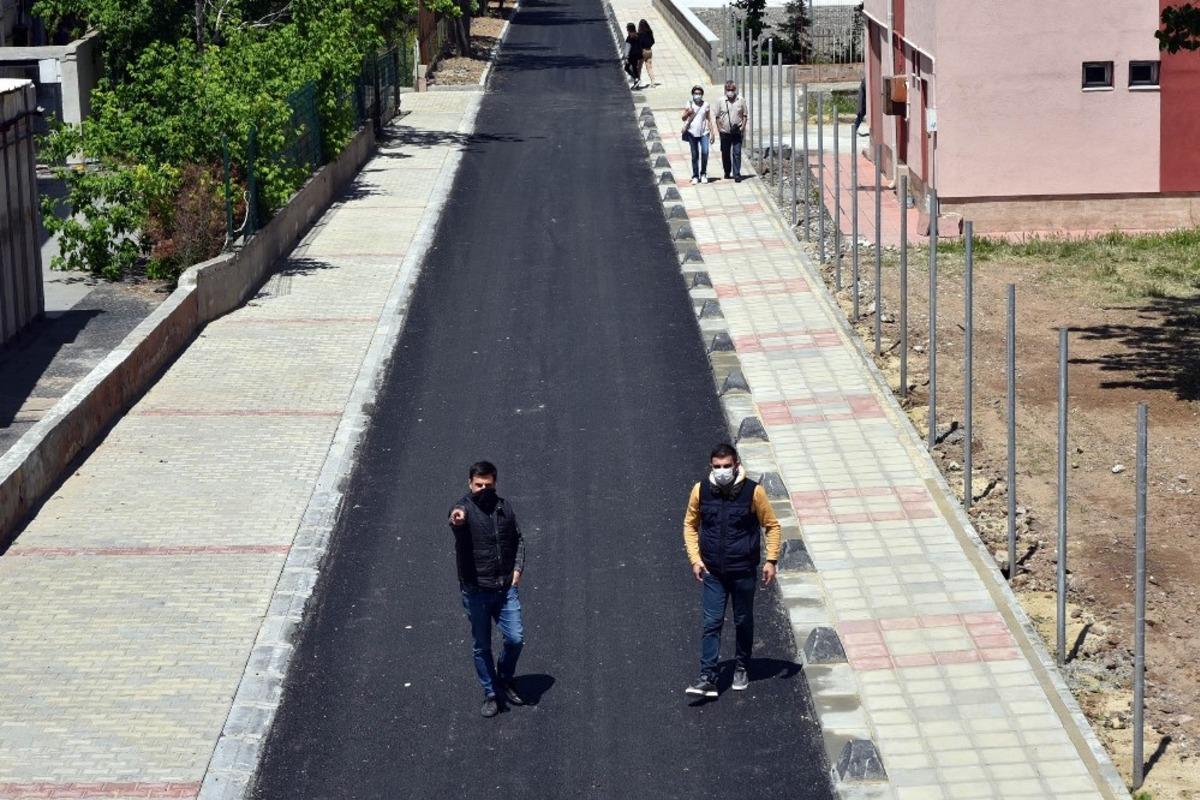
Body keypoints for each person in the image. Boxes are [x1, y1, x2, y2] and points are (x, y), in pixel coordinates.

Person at [682, 444, 782, 698]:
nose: (723, 471)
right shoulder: (700, 490)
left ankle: (741, 666)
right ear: (711, 467)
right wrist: (695, 559)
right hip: (713, 572)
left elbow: (771, 525)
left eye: (727, 466)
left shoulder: (753, 492)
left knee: (742, 619)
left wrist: (771, 559)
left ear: (736, 464)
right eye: (717, 467)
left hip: (743, 571)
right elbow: (690, 525)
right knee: (711, 623)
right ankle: (707, 677)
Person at [448, 461, 528, 718]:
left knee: (515, 639)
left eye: (488, 485)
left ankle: (505, 677)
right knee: (481, 645)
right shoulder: (464, 510)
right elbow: (456, 516)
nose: (483, 489)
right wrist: (457, 517)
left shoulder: (504, 508)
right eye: (478, 485)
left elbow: (519, 541)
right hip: (476, 591)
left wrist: (517, 570)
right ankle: (491, 692)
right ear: (470, 484)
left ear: (495, 484)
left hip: (505, 589)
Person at [681, 85, 718, 185]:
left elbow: (708, 118)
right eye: (696, 93)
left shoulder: (706, 104)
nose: (697, 95)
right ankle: (695, 175)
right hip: (692, 132)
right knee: (694, 155)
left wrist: (712, 133)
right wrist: (688, 112)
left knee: (705, 152)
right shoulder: (689, 104)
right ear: (692, 94)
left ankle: (703, 174)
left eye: (699, 94)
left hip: (704, 132)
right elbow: (683, 118)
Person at [714, 80, 749, 182]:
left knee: (737, 152)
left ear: (735, 89)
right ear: (725, 90)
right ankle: (727, 170)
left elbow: (745, 115)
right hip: (725, 131)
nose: (730, 92)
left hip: (737, 130)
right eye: (728, 90)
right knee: (725, 153)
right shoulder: (720, 101)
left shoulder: (741, 100)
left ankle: (737, 173)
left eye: (732, 89)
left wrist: (742, 127)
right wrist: (719, 129)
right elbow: (717, 116)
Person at [623, 23, 644, 89]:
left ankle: (636, 79)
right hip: (638, 54)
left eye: (627, 29)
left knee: (626, 68)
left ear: (629, 29)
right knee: (635, 68)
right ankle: (636, 84)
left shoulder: (629, 37)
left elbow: (627, 47)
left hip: (631, 55)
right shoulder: (637, 35)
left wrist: (626, 57)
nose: (626, 30)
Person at [637, 20, 656, 87]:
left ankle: (637, 82)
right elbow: (653, 41)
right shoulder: (650, 32)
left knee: (639, 68)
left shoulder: (639, 34)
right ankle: (653, 82)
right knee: (649, 67)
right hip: (649, 51)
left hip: (642, 51)